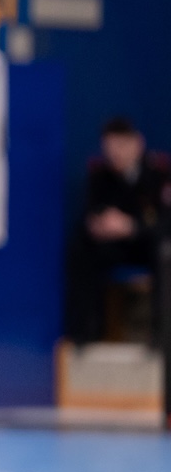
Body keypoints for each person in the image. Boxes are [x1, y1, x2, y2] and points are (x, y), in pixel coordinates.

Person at [66, 118, 170, 345]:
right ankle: (88, 332)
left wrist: (132, 226)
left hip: (147, 244)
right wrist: (100, 224)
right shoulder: (100, 175)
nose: (115, 154)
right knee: (81, 249)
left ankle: (161, 336)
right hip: (115, 246)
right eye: (110, 148)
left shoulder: (159, 172)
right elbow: (91, 213)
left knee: (165, 252)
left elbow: (165, 221)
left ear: (137, 143)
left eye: (121, 146)